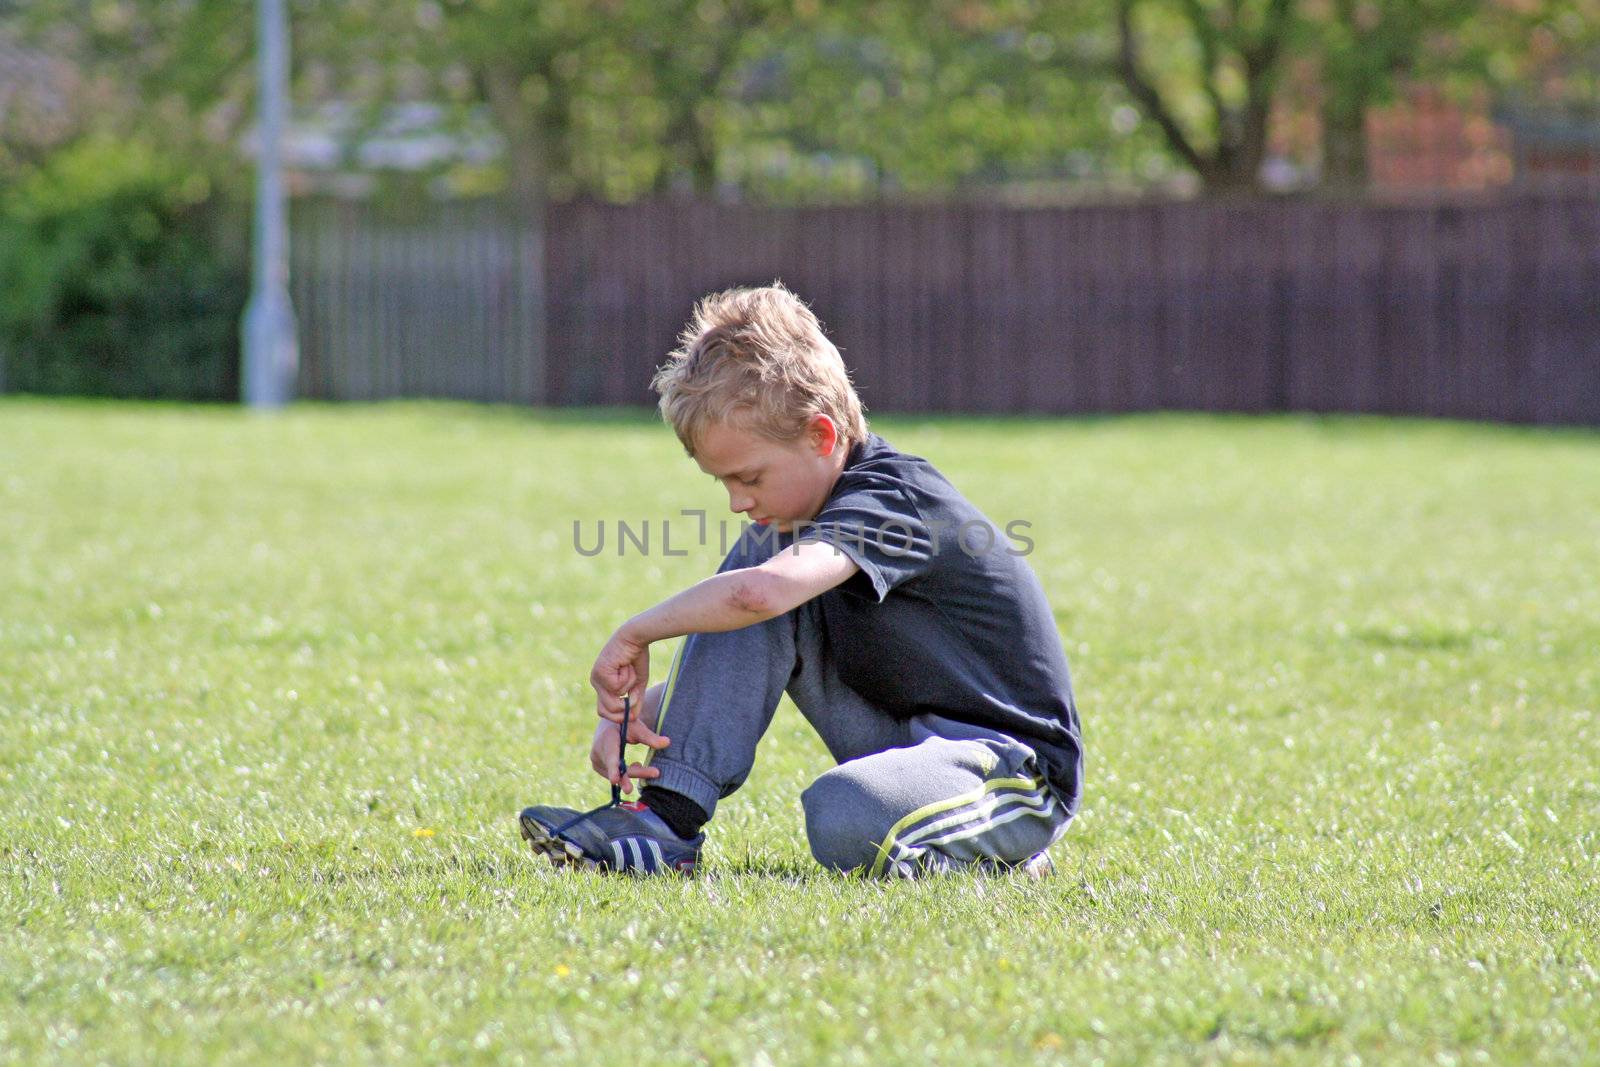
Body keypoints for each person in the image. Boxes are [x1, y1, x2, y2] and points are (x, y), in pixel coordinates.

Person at [520, 283, 1083, 877]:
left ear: (821, 436)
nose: (739, 501)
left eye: (751, 477)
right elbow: (747, 630)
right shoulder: (792, 524)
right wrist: (639, 717)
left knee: (844, 813)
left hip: (1011, 769)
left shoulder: (896, 501)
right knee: (754, 570)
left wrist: (634, 634)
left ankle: (1006, 854)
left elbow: (759, 595)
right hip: (908, 744)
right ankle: (662, 824)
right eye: (724, 484)